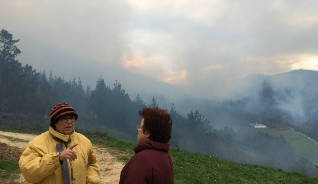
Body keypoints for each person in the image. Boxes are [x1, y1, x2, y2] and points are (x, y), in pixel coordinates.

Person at [19, 103, 100, 184]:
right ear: (55, 122)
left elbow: (92, 164)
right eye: (64, 119)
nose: (69, 122)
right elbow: (29, 174)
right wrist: (58, 158)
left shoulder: (84, 141)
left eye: (72, 118)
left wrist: (92, 181)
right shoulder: (37, 143)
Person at [119, 107, 174, 184]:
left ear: (147, 132)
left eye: (140, 127)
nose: (138, 129)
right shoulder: (167, 158)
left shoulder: (142, 160)